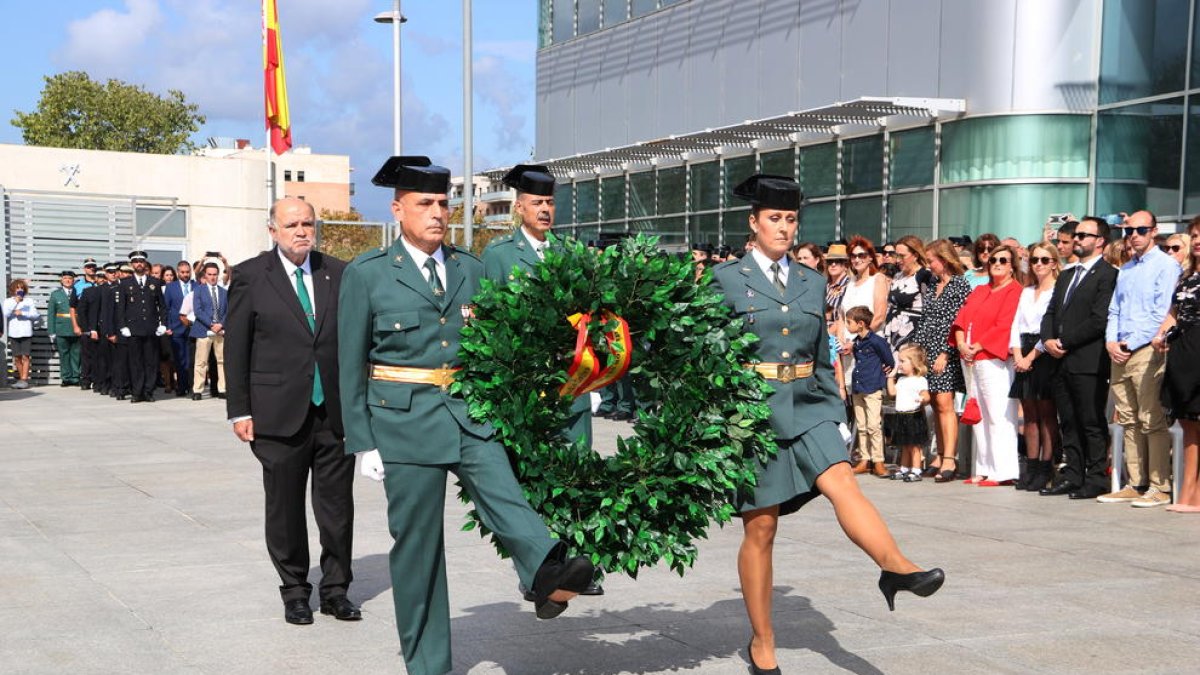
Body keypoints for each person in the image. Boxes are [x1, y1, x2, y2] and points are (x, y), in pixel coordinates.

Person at [338, 156, 595, 674]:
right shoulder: (367, 274)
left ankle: (548, 571)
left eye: (443, 204)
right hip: (402, 423)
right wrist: (362, 441)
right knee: (419, 549)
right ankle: (429, 664)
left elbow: (498, 346)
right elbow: (347, 363)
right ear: (398, 209)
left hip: (470, 412)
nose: (437, 214)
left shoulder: (470, 269)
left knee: (506, 493)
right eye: (425, 204)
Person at [713, 174, 942, 675]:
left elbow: (821, 355)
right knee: (763, 529)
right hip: (752, 412)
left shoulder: (812, 281)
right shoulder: (725, 280)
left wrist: (836, 413)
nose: (784, 228)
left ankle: (896, 567)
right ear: (753, 223)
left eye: (791, 219)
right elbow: (708, 357)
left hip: (810, 404)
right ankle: (762, 641)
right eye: (774, 218)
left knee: (843, 483)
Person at [224, 197, 358, 625]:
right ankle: (295, 590)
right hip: (277, 414)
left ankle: (336, 589)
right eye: (292, 225)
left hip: (333, 414)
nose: (301, 231)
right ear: (273, 231)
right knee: (284, 509)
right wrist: (239, 410)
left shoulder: (338, 272)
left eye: (307, 223)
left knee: (336, 508)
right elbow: (237, 347)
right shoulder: (250, 276)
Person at [482, 163, 592, 447]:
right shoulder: (499, 254)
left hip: (571, 382)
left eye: (550, 203)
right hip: (525, 382)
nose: (545, 209)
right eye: (537, 203)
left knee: (576, 469)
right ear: (519, 208)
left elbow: (586, 312)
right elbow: (490, 319)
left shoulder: (569, 252)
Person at [1100, 211, 1181, 507]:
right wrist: (1111, 341)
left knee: (1150, 418)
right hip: (1119, 350)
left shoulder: (1166, 265)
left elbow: (1163, 313)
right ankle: (1136, 482)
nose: (1134, 235)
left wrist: (1129, 343)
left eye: (1141, 229)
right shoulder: (1127, 269)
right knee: (1128, 419)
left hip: (1147, 348)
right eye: (1129, 230)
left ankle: (1160, 486)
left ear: (1154, 231)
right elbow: (1115, 310)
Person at [951, 244, 1022, 485]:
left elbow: (1005, 325)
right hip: (970, 359)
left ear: (1012, 266)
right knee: (978, 413)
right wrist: (961, 343)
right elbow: (961, 319)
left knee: (998, 414)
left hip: (993, 359)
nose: (998, 264)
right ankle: (983, 466)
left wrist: (978, 346)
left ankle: (1003, 470)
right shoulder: (980, 290)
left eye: (1003, 260)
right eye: (993, 260)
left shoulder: (1014, 291)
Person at [910, 239, 970, 482]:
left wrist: (946, 352)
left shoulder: (959, 285)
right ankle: (940, 454)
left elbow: (958, 322)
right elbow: (925, 317)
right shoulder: (934, 283)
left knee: (946, 404)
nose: (929, 265)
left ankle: (950, 459)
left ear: (943, 260)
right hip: (927, 348)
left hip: (947, 350)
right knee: (934, 404)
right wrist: (916, 349)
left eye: (931, 260)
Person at [1008, 241, 1062, 492]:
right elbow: (1016, 324)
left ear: (1054, 263)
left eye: (1044, 260)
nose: (1038, 264)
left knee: (1046, 413)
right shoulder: (1026, 291)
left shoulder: (1057, 291)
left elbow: (1051, 327)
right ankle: (1030, 466)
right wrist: (1018, 353)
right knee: (1029, 414)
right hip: (1023, 349)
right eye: (1035, 260)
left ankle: (1045, 467)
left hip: (1044, 352)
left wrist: (1031, 356)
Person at [1156, 215, 1200, 512]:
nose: (1197, 240)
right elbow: (1173, 311)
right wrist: (1161, 334)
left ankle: (1195, 494)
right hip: (1181, 352)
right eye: (1194, 235)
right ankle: (1188, 491)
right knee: (1187, 424)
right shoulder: (1185, 277)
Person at [115, 251, 168, 403]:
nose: (139, 264)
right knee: (135, 362)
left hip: (151, 328)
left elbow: (162, 306)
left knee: (151, 362)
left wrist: (163, 324)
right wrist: (123, 326)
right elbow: (121, 308)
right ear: (132, 264)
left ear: (145, 264)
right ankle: (137, 392)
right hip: (133, 329)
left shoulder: (155, 282)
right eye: (136, 261)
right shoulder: (125, 283)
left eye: (141, 261)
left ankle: (148, 391)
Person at [847, 305, 894, 478]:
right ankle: (864, 459)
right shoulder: (856, 342)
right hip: (858, 386)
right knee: (861, 425)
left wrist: (883, 373)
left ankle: (878, 461)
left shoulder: (876, 341)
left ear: (860, 324)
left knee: (874, 425)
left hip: (872, 386)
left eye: (849, 322)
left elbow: (889, 360)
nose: (847, 325)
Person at [887, 344, 931, 481]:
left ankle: (916, 469)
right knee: (904, 444)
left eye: (903, 361)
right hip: (902, 415)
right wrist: (890, 378)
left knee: (914, 445)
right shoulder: (901, 379)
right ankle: (904, 468)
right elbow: (892, 393)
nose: (899, 364)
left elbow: (927, 396)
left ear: (914, 363)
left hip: (914, 415)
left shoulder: (920, 380)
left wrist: (922, 399)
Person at [882, 235, 931, 356]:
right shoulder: (898, 276)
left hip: (911, 336)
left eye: (902, 256)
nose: (898, 260)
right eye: (896, 255)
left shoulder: (924, 276)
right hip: (892, 333)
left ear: (915, 255)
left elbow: (929, 309)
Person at [190, 263, 228, 401]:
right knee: (201, 361)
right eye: (210, 274)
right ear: (205, 275)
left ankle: (222, 388)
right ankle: (197, 390)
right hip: (204, 330)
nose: (212, 277)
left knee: (222, 361)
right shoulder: (198, 290)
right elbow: (198, 310)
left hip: (221, 331)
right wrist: (211, 324)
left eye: (215, 274)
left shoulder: (224, 292)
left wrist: (221, 324)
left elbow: (228, 311)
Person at [164, 260, 195, 396]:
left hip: (193, 328)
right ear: (178, 272)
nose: (185, 274)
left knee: (192, 359)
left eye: (187, 272)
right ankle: (181, 387)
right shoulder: (171, 287)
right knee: (180, 359)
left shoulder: (196, 285)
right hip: (176, 328)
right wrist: (168, 326)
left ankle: (192, 386)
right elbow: (166, 308)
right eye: (182, 272)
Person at [47, 270, 82, 386]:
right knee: (64, 354)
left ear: (73, 280)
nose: (67, 280)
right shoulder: (55, 294)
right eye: (65, 278)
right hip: (61, 328)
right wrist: (51, 331)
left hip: (76, 326)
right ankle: (66, 377)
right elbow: (51, 313)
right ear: (61, 280)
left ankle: (76, 377)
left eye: (70, 278)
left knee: (76, 354)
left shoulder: (78, 293)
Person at [3, 279, 39, 389]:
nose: (20, 290)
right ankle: (20, 379)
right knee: (17, 357)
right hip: (14, 333)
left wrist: (23, 312)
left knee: (26, 356)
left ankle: (24, 379)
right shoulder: (8, 301)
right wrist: (16, 301)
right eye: (17, 288)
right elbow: (5, 313)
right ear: (13, 289)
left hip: (26, 332)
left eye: (22, 288)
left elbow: (35, 315)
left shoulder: (29, 301)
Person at [77, 268, 108, 392]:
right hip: (91, 330)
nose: (101, 279)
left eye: (103, 276)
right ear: (95, 278)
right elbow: (81, 311)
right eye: (98, 276)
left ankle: (100, 382)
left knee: (104, 358)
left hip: (106, 330)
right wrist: (88, 330)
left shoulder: (111, 290)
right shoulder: (88, 291)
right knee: (89, 357)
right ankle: (88, 380)